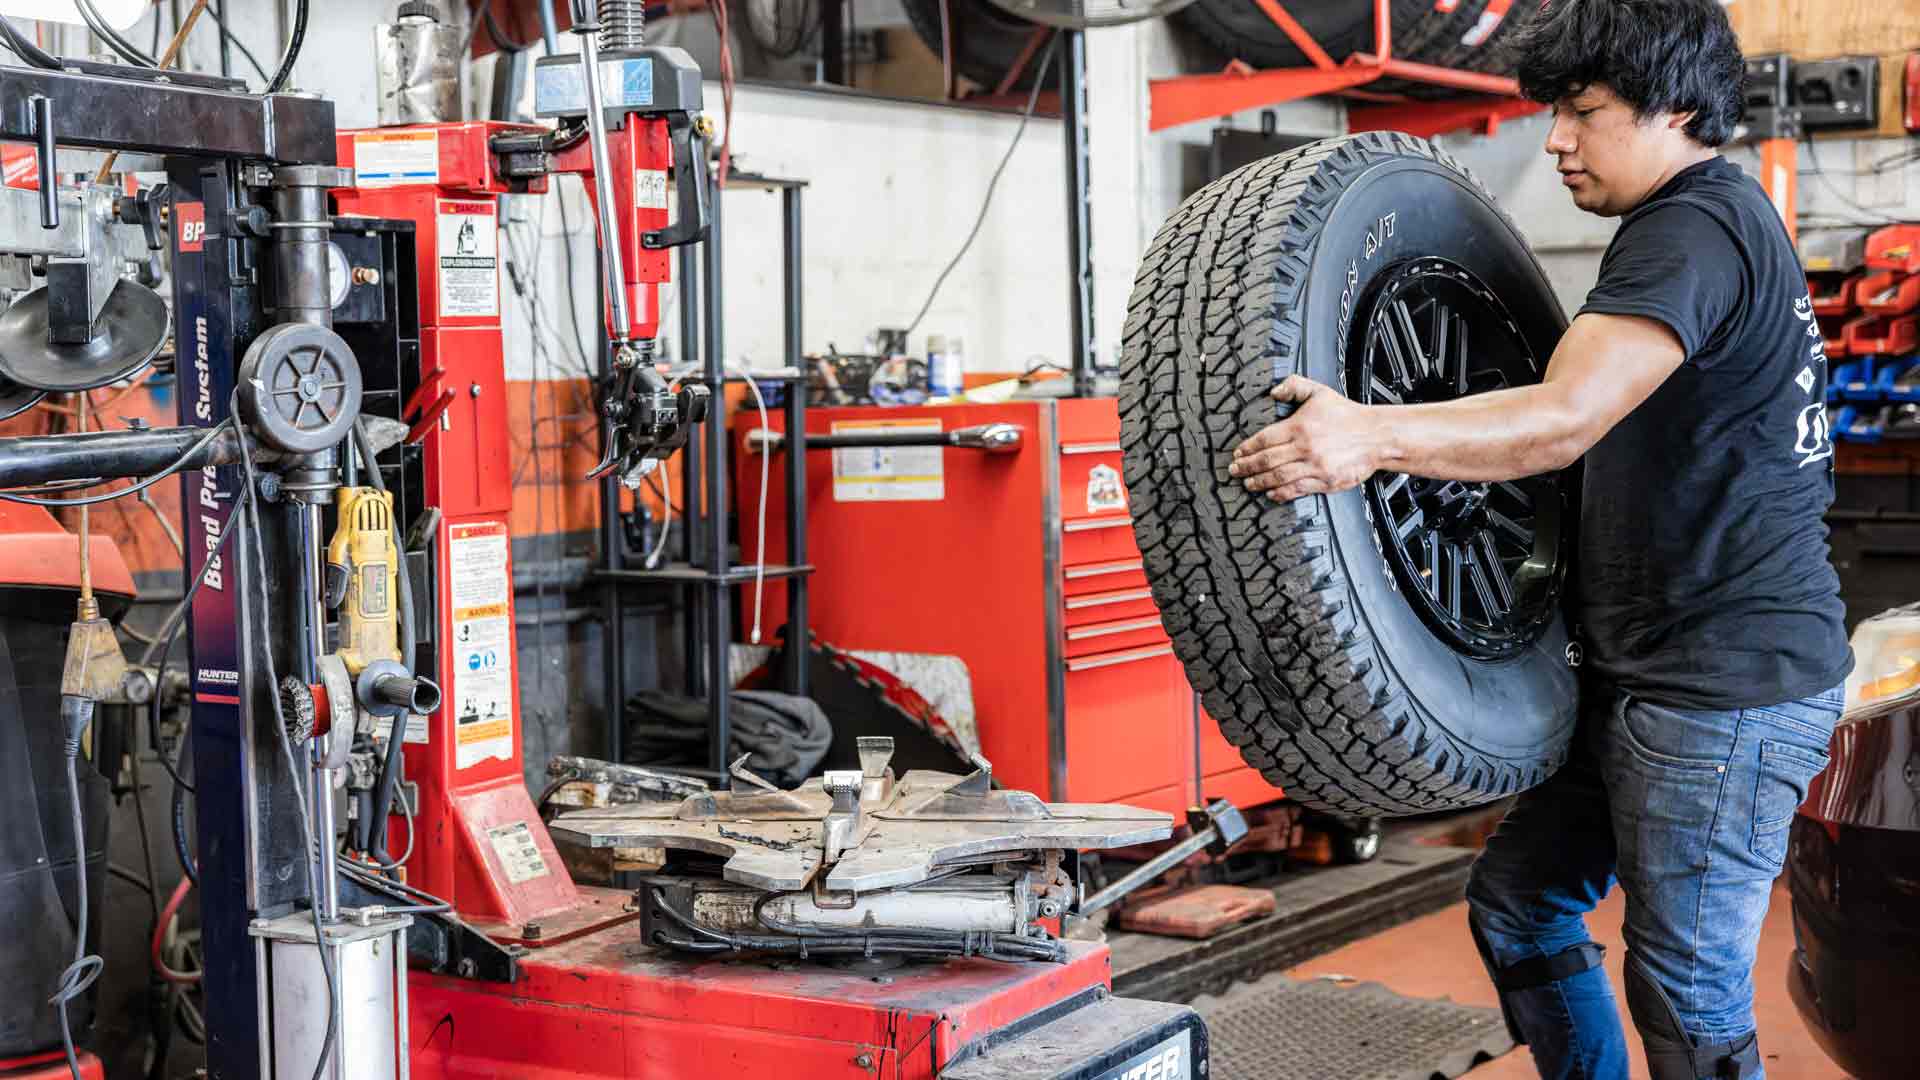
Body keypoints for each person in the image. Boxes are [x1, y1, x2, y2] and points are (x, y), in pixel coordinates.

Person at [1223, 1, 1852, 1077]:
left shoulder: (1692, 227)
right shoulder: (1696, 226)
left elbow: (1564, 417)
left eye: (1584, 112)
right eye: (1554, 112)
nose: (1554, 139)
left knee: (1689, 997)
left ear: (1680, 110)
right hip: (1642, 673)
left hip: (1724, 691)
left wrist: (1369, 438)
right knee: (1520, 904)